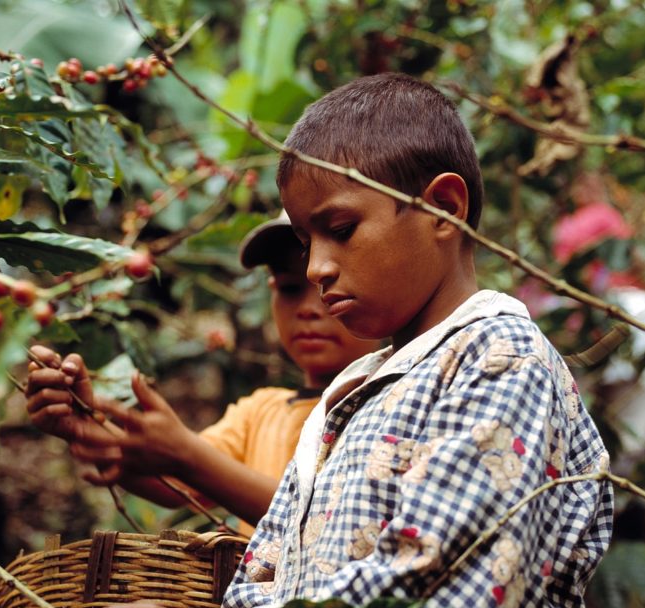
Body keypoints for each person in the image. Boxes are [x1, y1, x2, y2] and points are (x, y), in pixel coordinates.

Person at [93, 73, 614, 608]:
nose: (316, 269)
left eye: (340, 228)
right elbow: (269, 581)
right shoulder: (352, 390)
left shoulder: (499, 358)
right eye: (309, 242)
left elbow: (437, 605)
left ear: (444, 211)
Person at [24, 215, 381, 526]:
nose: (307, 310)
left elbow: (336, 525)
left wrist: (190, 458)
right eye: (289, 289)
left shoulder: (392, 405)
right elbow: (177, 482)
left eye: (326, 287)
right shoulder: (260, 412)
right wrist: (85, 426)